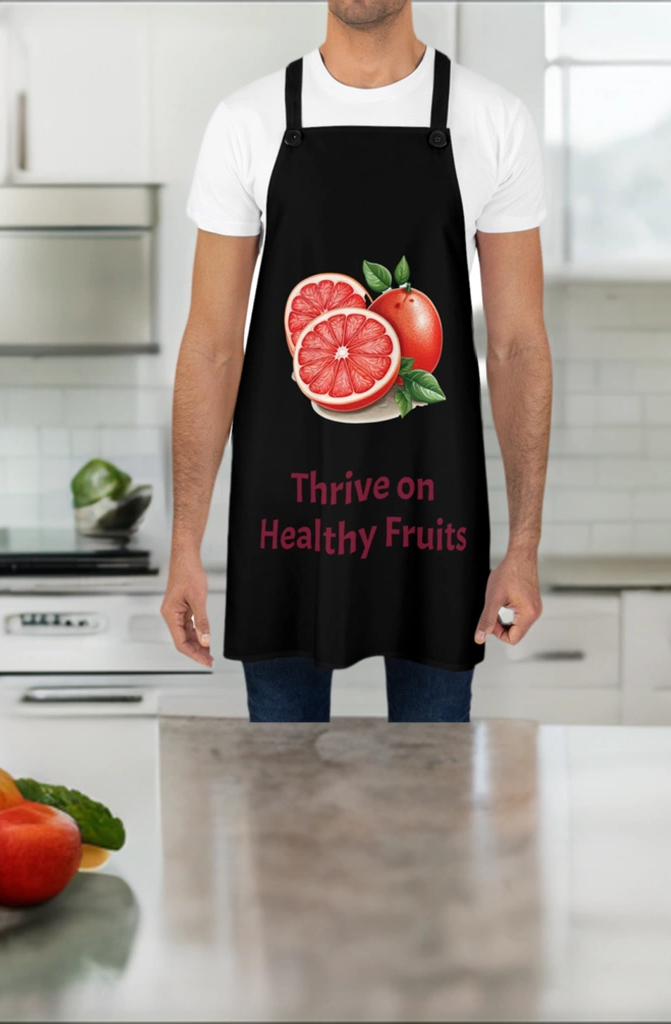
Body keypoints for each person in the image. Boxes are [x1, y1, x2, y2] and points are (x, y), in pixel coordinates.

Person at [161, 0, 552, 723]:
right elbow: (213, 344)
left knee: (433, 803)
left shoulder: (493, 119)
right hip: (285, 519)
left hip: (436, 518)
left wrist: (523, 545)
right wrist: (185, 543)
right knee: (283, 802)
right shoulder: (247, 120)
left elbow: (517, 344)